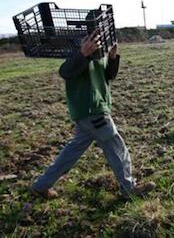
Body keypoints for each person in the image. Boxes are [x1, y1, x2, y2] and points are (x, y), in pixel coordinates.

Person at [30, 31, 155, 199]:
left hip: (90, 111)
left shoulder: (99, 53)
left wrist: (112, 57)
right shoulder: (78, 53)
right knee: (116, 147)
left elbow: (109, 76)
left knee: (72, 151)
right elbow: (64, 72)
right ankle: (128, 188)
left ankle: (40, 186)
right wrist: (83, 54)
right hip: (92, 110)